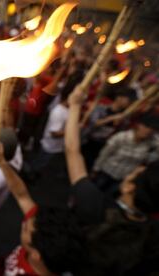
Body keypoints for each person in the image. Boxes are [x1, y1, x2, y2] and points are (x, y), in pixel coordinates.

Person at [64, 86, 159, 274]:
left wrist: (75, 106)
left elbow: (72, 152)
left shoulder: (94, 206)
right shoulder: (153, 240)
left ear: (129, 187)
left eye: (138, 173)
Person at [0, 140, 84, 275]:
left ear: (36, 254)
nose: (24, 223)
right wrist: (2, 161)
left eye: (26, 229)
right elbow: (22, 195)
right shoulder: (39, 227)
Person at [92, 111, 159, 195]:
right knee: (92, 193)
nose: (148, 130)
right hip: (106, 172)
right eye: (146, 126)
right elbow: (104, 154)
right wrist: (95, 169)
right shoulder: (122, 137)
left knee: (107, 198)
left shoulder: (150, 142)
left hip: (122, 178)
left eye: (152, 129)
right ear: (138, 125)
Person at [82, 87, 137, 168]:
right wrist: (111, 118)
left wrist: (120, 123)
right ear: (119, 98)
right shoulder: (101, 108)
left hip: (102, 145)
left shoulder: (123, 117)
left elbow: (120, 133)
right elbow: (93, 124)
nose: (129, 103)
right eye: (128, 100)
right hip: (88, 140)